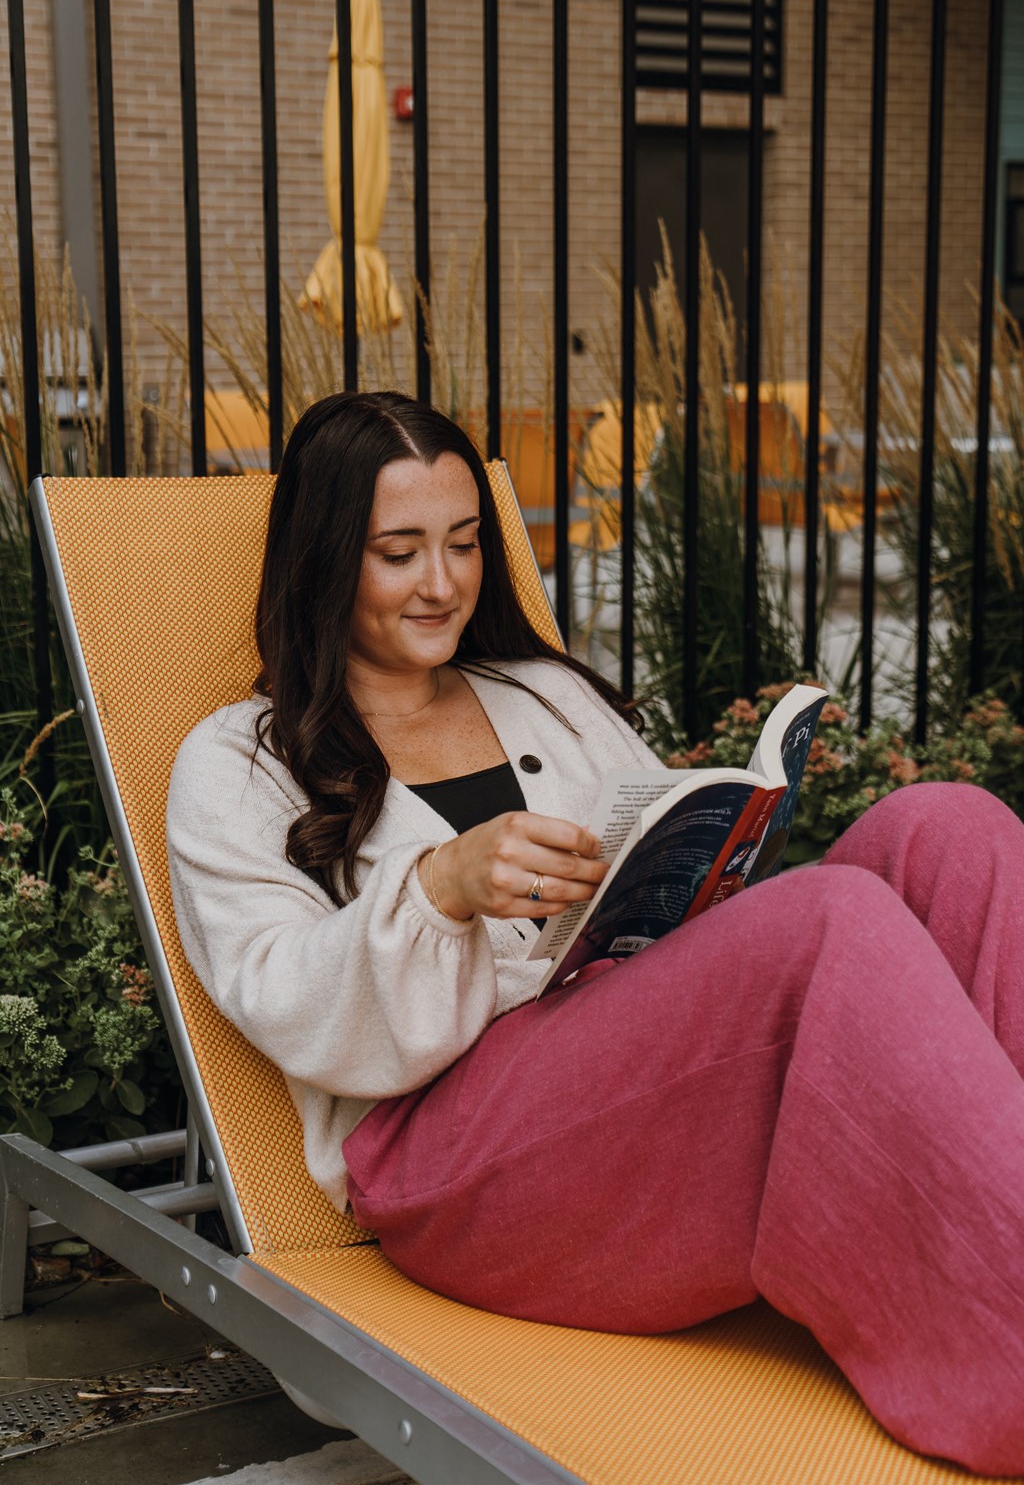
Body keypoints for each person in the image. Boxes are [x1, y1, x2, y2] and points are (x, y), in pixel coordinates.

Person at [167, 390, 1024, 1478]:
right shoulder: (238, 764)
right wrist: (440, 885)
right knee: (831, 922)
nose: (444, 583)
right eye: (399, 552)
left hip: (625, 1081)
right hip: (454, 1158)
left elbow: (650, 870)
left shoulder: (538, 694)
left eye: (466, 543)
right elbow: (282, 997)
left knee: (951, 828)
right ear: (324, 560)